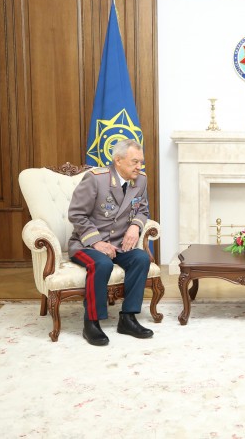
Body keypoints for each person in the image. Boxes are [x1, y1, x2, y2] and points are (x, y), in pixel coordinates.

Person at [68, 139, 154, 346]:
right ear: (118, 160)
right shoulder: (96, 179)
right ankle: (91, 322)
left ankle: (128, 319)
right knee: (102, 263)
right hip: (86, 244)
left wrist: (135, 226)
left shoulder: (140, 180)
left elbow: (142, 210)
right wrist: (96, 242)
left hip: (119, 244)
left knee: (141, 258)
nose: (139, 166)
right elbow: (76, 214)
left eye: (141, 162)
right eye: (134, 162)